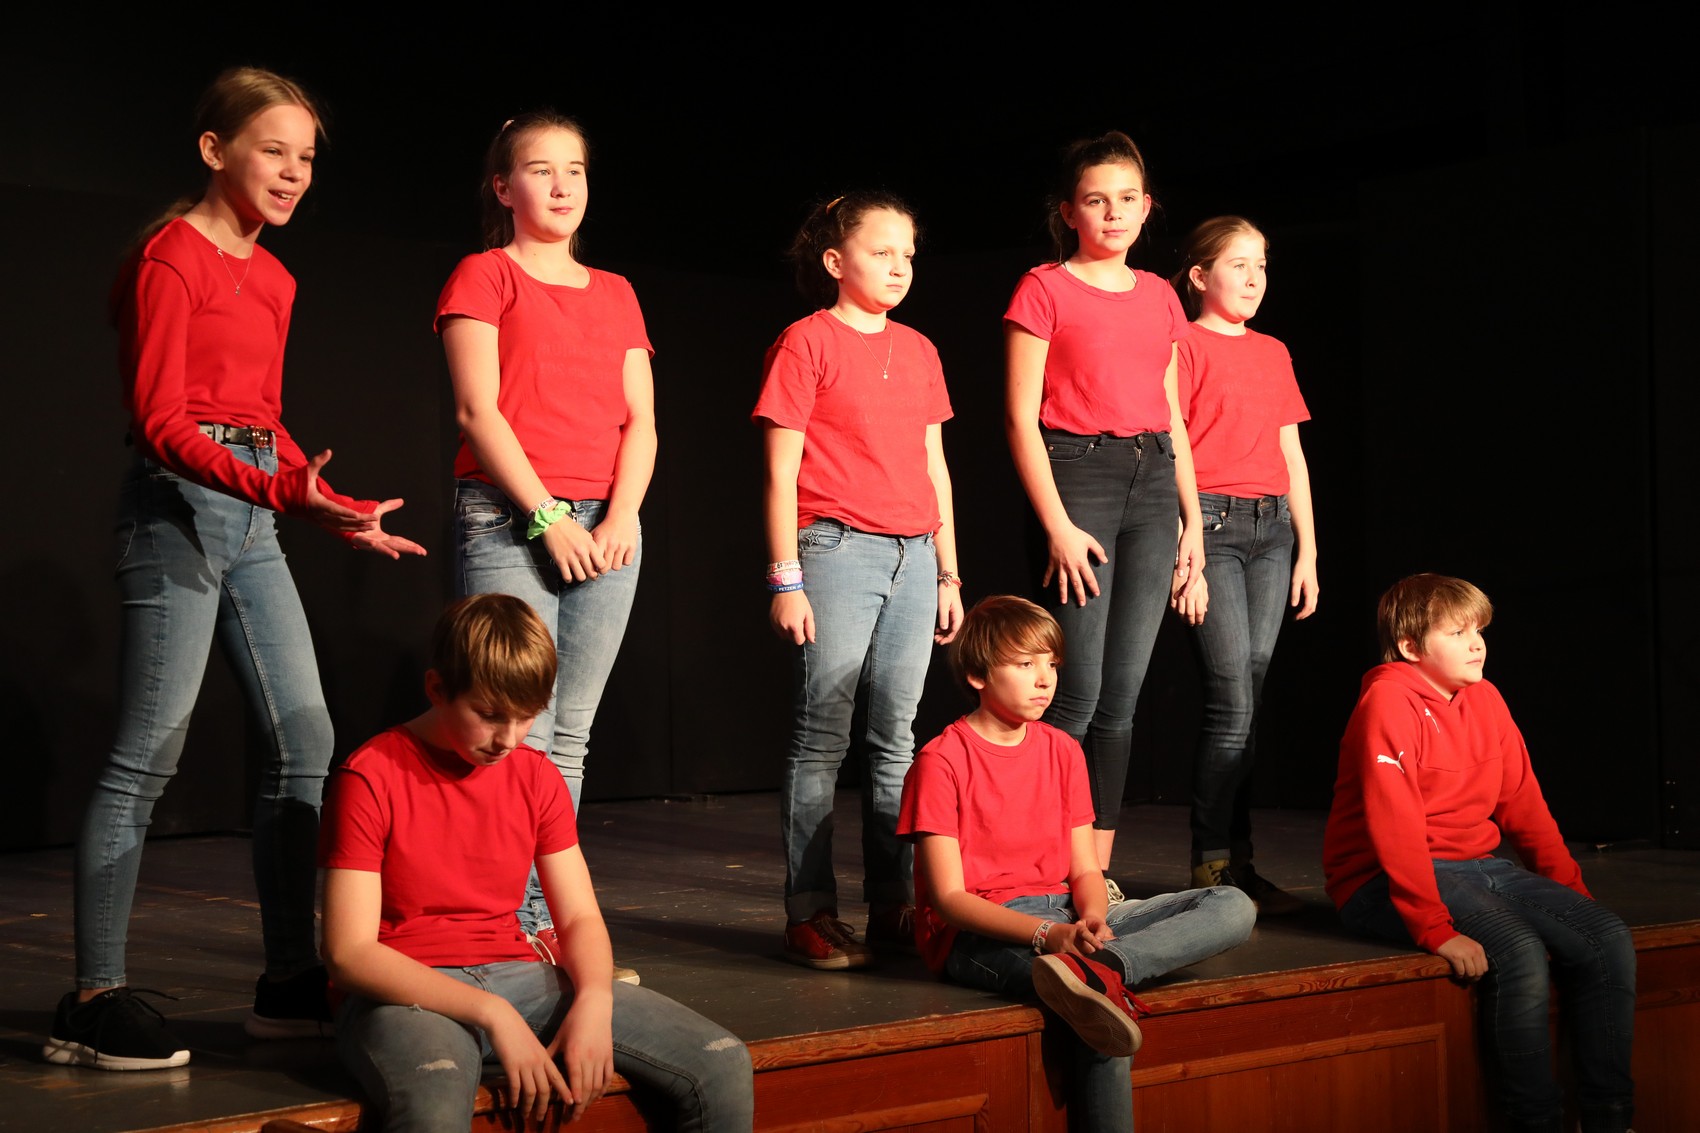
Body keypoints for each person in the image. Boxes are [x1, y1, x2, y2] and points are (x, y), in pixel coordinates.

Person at [44, 67, 425, 1073]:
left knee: (307, 738)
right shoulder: (171, 257)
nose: (294, 173)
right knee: (147, 754)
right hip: (176, 507)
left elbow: (259, 419)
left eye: (307, 158)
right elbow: (163, 419)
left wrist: (326, 500)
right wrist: (276, 488)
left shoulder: (279, 278)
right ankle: (91, 998)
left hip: (253, 508)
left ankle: (289, 976)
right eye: (274, 151)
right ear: (216, 151)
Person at [320, 594, 753, 1133]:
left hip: (516, 974)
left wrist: (594, 999)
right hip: (408, 991)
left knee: (721, 1061)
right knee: (435, 1098)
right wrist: (492, 1013)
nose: (508, 738)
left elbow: (578, 917)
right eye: (489, 715)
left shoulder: (536, 776)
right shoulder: (370, 776)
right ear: (437, 689)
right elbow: (348, 954)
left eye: (526, 717)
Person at [898, 596, 1255, 1131]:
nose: (1044, 679)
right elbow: (950, 901)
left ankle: (1103, 968)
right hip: (985, 932)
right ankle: (1092, 980)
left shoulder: (1063, 749)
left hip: (1067, 915)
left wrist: (1092, 919)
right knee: (1095, 1013)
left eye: (1052, 664)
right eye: (1025, 664)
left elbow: (1087, 869)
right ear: (977, 675)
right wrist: (1047, 935)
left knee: (1231, 904)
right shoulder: (940, 760)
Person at [435, 111, 656, 965]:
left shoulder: (617, 290)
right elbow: (477, 411)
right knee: (513, 726)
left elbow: (641, 422)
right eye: (540, 169)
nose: (562, 186)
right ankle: (497, 924)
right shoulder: (485, 274)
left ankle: (536, 923)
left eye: (576, 169)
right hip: (509, 515)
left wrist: (622, 514)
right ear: (504, 186)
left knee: (569, 735)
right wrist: (546, 517)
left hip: (607, 524)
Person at [1323, 574, 1635, 1133]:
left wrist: (1571, 895)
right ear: (1411, 646)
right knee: (1518, 951)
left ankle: (1609, 1119)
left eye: (1479, 631)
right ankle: (1536, 1123)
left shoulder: (1486, 698)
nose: (1477, 645)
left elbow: (1524, 803)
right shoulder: (1387, 701)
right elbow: (1395, 827)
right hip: (1380, 881)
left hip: (1479, 867)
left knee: (1605, 936)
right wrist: (1433, 928)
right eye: (1457, 632)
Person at [754, 191, 963, 969]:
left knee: (896, 739)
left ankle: (893, 903)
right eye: (881, 252)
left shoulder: (921, 349)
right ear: (837, 261)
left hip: (915, 555)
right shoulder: (805, 341)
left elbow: (936, 468)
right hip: (837, 547)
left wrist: (948, 571)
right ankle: (809, 910)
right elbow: (780, 473)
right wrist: (786, 578)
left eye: (907, 253)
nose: (899, 266)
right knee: (822, 733)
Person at [1003, 131, 1206, 898]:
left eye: (1126, 199)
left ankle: (1098, 871)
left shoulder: (1159, 295)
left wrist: (1192, 521)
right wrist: (1057, 523)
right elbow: (1020, 417)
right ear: (1069, 211)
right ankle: (1036, 865)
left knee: (1122, 697)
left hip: (1153, 479)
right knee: (1074, 692)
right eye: (1096, 200)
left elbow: (1172, 412)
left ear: (1147, 207)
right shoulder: (1044, 287)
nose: (1113, 212)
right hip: (1078, 477)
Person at [1170, 217, 1317, 912]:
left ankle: (1241, 862)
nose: (1255, 278)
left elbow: (1292, 454)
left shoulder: (1273, 351)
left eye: (1262, 264)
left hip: (1272, 530)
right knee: (1231, 697)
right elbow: (1174, 446)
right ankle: (1211, 863)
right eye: (1238, 264)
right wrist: (1188, 549)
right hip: (1213, 525)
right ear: (1200, 276)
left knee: (1250, 700)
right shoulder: (1182, 344)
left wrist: (1308, 549)